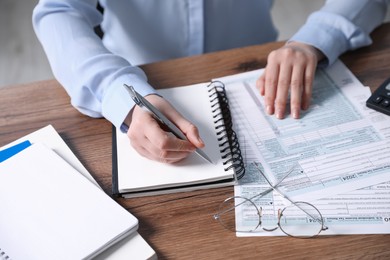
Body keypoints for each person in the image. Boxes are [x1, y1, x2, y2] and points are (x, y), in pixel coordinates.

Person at [33, 0, 388, 163]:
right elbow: (58, 11)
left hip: (254, 66)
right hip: (140, 77)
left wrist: (315, 38)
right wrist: (117, 93)